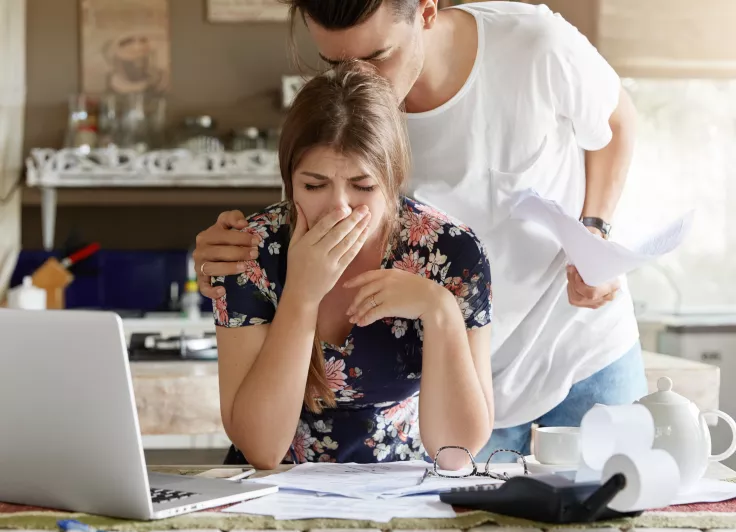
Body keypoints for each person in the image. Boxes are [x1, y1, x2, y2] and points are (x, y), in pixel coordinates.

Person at [194, 1, 645, 462]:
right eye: (335, 64)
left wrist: (595, 233)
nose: (357, 80)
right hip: (454, 375)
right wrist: (231, 256)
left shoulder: (533, 44)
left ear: (426, 12)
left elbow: (616, 122)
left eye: (376, 58)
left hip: (573, 340)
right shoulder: (342, 123)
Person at [212, 63, 494, 469]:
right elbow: (261, 449)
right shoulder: (249, 253)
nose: (338, 207)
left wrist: (440, 310)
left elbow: (457, 452)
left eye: (363, 186)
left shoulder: (452, 253)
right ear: (288, 179)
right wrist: (302, 295)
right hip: (274, 491)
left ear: (394, 179)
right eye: (313, 185)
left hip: (401, 488)